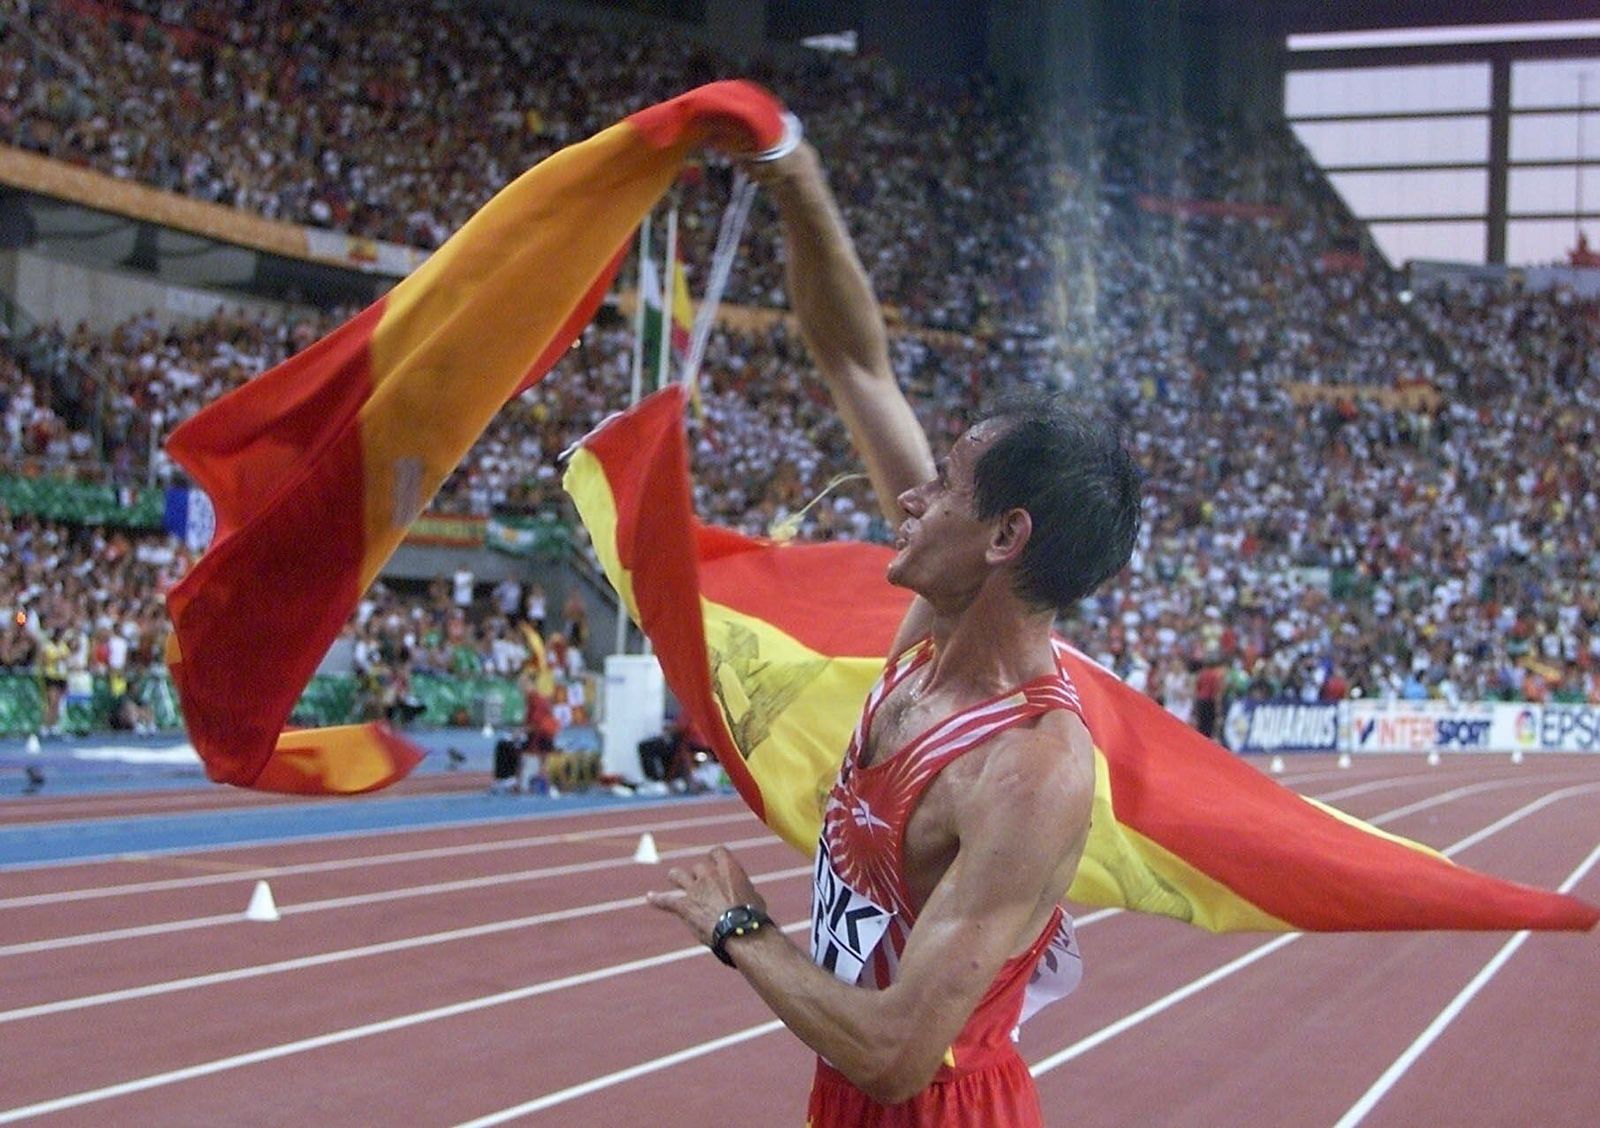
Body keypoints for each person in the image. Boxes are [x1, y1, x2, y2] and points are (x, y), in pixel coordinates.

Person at [647, 133, 1140, 1125]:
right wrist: (797, 175)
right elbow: (855, 363)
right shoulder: (933, 627)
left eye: (943, 485)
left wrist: (740, 927)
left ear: (1005, 536)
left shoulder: (1029, 768)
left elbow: (896, 1054)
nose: (909, 498)